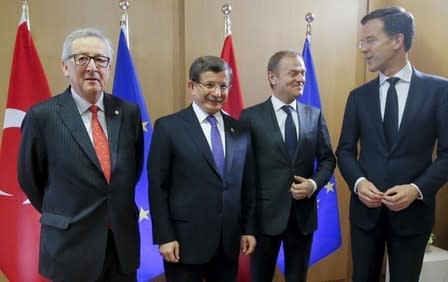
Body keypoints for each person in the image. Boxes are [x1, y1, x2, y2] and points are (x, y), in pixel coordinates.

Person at [17, 28, 143, 282]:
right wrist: (63, 211)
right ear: (65, 67)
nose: (92, 67)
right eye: (82, 58)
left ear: (108, 67)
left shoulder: (128, 112)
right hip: (70, 244)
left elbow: (133, 169)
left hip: (120, 244)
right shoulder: (43, 115)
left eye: (100, 59)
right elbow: (30, 178)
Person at [336, 6, 448, 282]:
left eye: (370, 40)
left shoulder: (439, 91)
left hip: (414, 217)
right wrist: (359, 183)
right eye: (362, 41)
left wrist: (416, 189)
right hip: (365, 216)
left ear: (397, 41)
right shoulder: (358, 97)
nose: (363, 49)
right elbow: (345, 150)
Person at [149, 56, 256, 282]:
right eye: (209, 85)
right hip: (183, 243)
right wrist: (164, 237)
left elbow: (247, 185)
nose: (217, 93)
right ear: (192, 86)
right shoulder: (169, 127)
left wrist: (248, 229)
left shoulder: (240, 130)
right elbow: (158, 188)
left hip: (227, 243)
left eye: (223, 86)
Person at [240, 50, 336, 282]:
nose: (301, 78)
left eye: (303, 73)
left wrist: (313, 184)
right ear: (273, 77)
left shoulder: (314, 115)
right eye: (293, 73)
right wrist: (247, 227)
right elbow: (245, 176)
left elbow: (328, 159)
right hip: (264, 219)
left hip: (301, 218)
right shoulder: (250, 117)